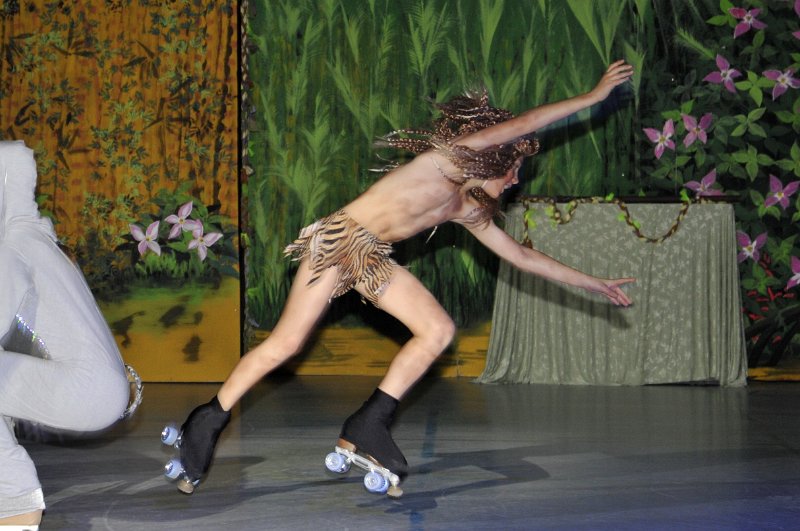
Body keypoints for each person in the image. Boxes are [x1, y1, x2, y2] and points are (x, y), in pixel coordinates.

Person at [170, 60, 636, 495]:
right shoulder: (449, 161)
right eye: (514, 170)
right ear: (494, 158)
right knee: (287, 344)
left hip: (369, 256)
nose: (514, 181)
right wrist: (593, 97)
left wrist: (593, 282)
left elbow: (521, 256)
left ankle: (369, 423)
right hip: (338, 240)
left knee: (438, 330)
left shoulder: (469, 209)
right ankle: (207, 420)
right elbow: (525, 124)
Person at [0, 141, 133, 529]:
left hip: (84, 388)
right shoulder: (34, 239)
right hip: (98, 387)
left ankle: (15, 502)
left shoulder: (13, 249)